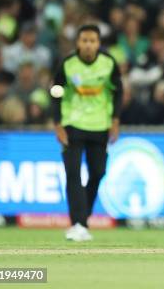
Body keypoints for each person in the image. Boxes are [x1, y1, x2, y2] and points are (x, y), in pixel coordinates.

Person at [52, 24, 122, 242]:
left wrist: (115, 121)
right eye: (84, 40)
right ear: (78, 43)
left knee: (98, 173)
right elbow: (55, 93)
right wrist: (57, 124)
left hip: (100, 126)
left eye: (93, 41)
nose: (89, 45)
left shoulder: (108, 63)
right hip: (72, 125)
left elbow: (118, 90)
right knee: (73, 174)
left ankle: (82, 219)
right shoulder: (68, 64)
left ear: (99, 43)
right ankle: (78, 223)